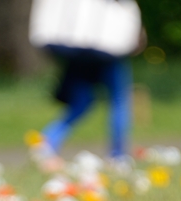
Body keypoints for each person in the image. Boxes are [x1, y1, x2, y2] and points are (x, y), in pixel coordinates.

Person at [29, 0, 143, 166]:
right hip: (109, 47)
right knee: (118, 100)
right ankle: (118, 155)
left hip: (78, 46)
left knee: (82, 103)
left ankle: (48, 141)